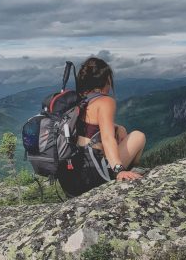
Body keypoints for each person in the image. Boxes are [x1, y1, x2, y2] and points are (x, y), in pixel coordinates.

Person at [57, 57, 146, 197]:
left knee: (118, 133)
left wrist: (118, 127)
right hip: (92, 176)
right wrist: (118, 169)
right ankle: (127, 171)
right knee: (138, 136)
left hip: (70, 180)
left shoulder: (77, 101)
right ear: (106, 80)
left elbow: (89, 127)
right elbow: (107, 138)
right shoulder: (105, 101)